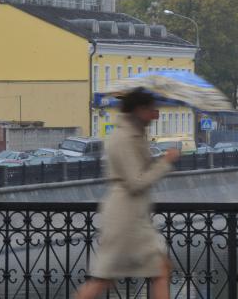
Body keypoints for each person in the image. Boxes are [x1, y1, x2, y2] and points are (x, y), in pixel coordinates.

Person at [74, 88, 180, 299]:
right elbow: (135, 182)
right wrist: (165, 163)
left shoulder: (133, 134)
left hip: (132, 216)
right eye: (151, 109)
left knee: (159, 269)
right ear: (139, 109)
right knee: (104, 278)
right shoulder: (124, 137)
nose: (154, 114)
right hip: (125, 218)